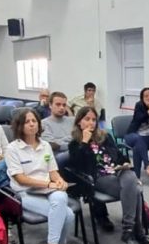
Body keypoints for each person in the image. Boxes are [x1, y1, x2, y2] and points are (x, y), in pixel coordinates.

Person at [5, 108, 83, 244]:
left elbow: (53, 171)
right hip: (24, 193)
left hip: (47, 189)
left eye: (34, 121)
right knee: (68, 215)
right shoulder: (12, 148)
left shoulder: (45, 145)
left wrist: (59, 181)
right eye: (27, 122)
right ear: (19, 125)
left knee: (61, 196)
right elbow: (20, 178)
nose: (31, 124)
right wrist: (48, 184)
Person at [69, 106, 149, 244]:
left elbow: (119, 156)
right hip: (98, 178)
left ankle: (129, 230)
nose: (91, 123)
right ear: (79, 122)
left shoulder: (105, 137)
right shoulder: (74, 143)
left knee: (130, 177)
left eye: (94, 119)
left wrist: (125, 163)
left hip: (117, 173)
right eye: (87, 119)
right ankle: (137, 233)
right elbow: (77, 165)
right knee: (135, 189)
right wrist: (84, 142)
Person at [42, 91, 114, 231]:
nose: (61, 108)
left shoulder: (72, 120)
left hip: (79, 154)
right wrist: (71, 142)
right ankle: (70, 194)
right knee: (70, 157)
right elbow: (52, 145)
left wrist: (71, 142)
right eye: (58, 104)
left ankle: (100, 212)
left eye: (64, 105)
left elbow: (78, 139)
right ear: (50, 105)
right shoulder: (44, 123)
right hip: (58, 160)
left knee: (91, 165)